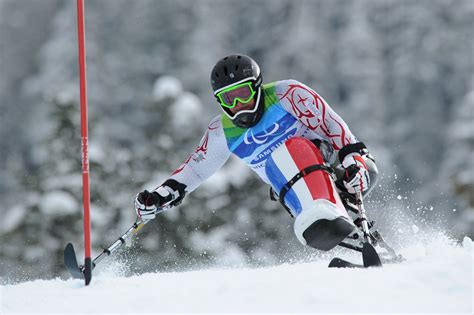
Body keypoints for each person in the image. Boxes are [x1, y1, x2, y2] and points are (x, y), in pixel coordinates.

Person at [134, 54, 378, 251]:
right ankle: (326, 220)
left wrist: (353, 159)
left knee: (291, 149)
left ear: (258, 87)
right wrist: (160, 195)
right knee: (278, 162)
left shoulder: (287, 95)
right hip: (296, 194)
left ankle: (330, 210)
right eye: (229, 99)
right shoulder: (221, 131)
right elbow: (195, 170)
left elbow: (333, 127)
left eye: (244, 94)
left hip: (340, 169)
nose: (239, 105)